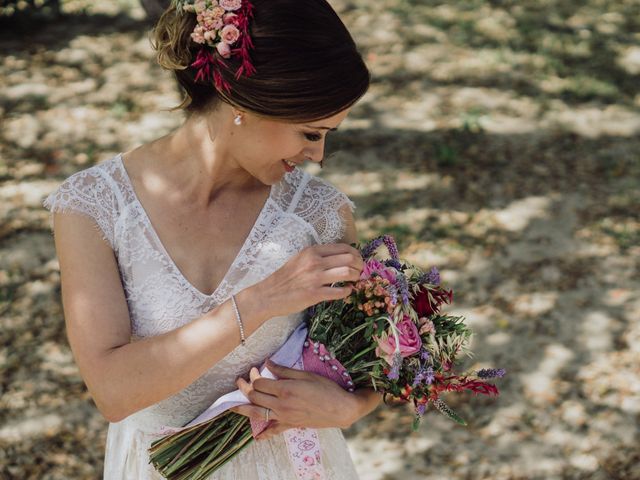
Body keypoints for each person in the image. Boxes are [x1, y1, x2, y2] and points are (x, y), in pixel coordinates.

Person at [42, 0, 381, 478]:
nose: (318, 155)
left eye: (326, 135)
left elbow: (368, 358)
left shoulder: (320, 214)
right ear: (246, 104)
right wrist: (263, 299)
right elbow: (113, 393)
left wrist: (351, 409)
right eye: (310, 133)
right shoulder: (93, 206)